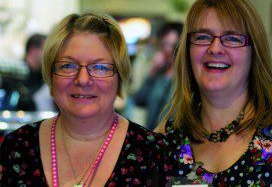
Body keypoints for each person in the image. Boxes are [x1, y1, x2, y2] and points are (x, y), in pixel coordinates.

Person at [0, 13, 173, 186]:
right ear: (50, 75)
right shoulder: (17, 147)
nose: (83, 80)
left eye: (99, 67)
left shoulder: (156, 154)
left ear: (119, 76)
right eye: (68, 66)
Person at [155, 0, 272, 186]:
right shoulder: (168, 136)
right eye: (203, 37)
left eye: (232, 38)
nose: (215, 48)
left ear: (254, 52)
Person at [134, 22, 182, 130]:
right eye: (164, 44)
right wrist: (153, 71)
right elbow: (139, 100)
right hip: (153, 137)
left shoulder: (185, 78)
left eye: (172, 45)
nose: (167, 49)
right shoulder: (159, 72)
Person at [16, 33, 46, 111]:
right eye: (45, 50)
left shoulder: (43, 76)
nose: (48, 55)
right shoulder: (16, 75)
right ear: (33, 50)